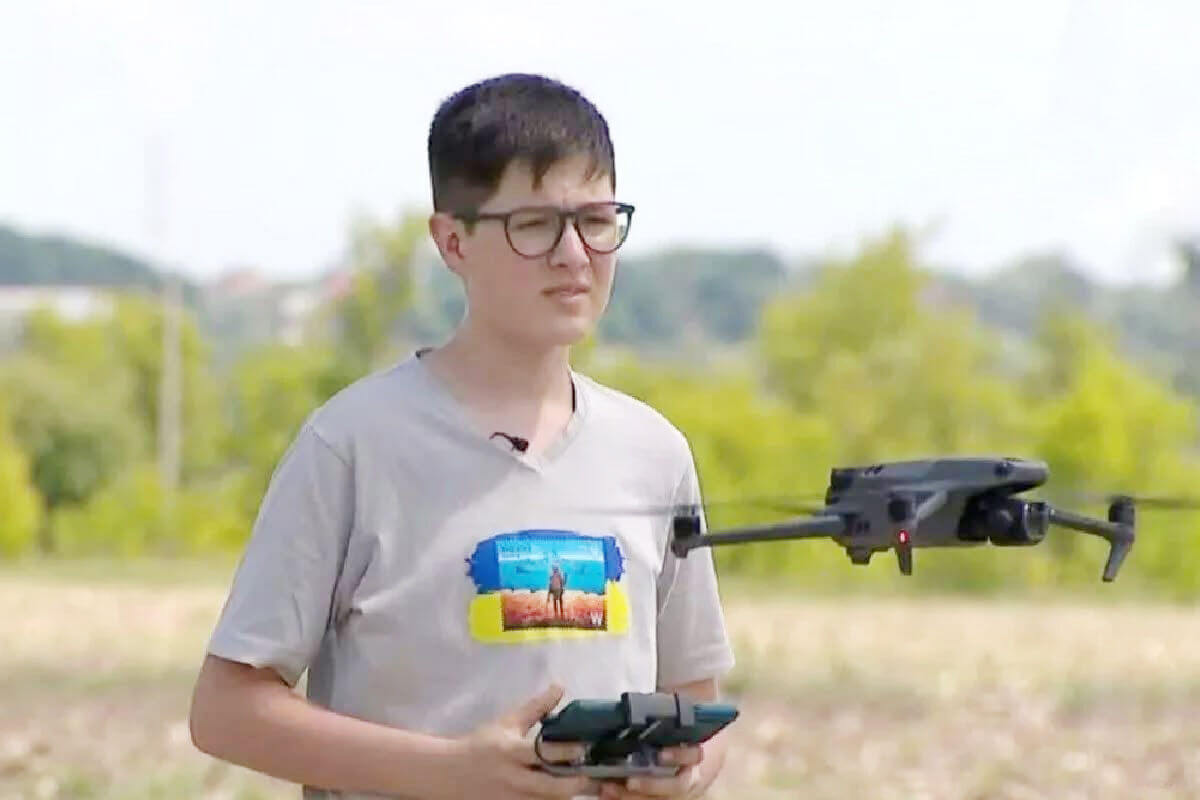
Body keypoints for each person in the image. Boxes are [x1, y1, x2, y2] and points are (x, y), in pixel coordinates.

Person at [188, 72, 735, 800]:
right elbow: (226, 712)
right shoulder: (353, 445)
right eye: (534, 225)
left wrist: (684, 773)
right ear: (452, 241)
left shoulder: (655, 454)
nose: (575, 254)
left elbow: (697, 702)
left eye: (597, 221)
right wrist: (450, 772)